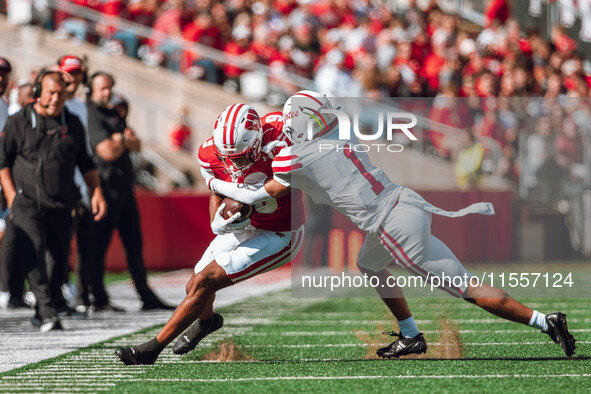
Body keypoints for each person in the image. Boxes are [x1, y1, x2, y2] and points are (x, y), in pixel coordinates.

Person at [203, 91, 577, 358]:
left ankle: (545, 321)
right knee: (369, 264)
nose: (284, 130)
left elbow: (255, 194)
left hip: (391, 225)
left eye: (290, 124)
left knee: (465, 286)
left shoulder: (295, 159)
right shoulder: (337, 135)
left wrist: (215, 183)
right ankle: (411, 336)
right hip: (402, 203)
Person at [115, 104, 305, 365]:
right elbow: (217, 192)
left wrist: (234, 201)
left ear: (258, 140)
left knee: (205, 281)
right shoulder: (210, 152)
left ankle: (151, 349)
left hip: (281, 232)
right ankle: (208, 321)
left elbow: (271, 190)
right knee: (193, 285)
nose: (233, 163)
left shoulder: (281, 143)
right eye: (229, 157)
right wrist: (218, 220)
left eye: (240, 156)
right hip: (246, 225)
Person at [0, 69, 107, 331]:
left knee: (59, 259)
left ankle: (42, 309)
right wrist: (12, 195)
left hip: (62, 201)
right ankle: (48, 312)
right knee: (33, 252)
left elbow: (85, 162)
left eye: (60, 93)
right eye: (50, 92)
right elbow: (3, 162)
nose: (56, 98)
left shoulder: (71, 122)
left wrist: (96, 192)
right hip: (26, 201)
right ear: (38, 93)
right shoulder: (18, 122)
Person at [86, 71, 173, 312]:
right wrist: (122, 141)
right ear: (91, 89)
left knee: (135, 244)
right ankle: (97, 298)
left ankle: (146, 296)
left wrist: (120, 141)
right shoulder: (91, 114)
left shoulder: (113, 113)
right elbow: (108, 152)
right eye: (103, 88)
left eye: (109, 88)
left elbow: (137, 144)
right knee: (98, 245)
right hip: (105, 189)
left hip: (125, 188)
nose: (107, 92)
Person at [57, 55, 94, 313]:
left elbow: (85, 150)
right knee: (57, 241)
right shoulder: (50, 106)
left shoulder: (80, 106)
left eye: (78, 72)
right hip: (56, 183)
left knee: (81, 242)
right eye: (69, 72)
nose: (73, 77)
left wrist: (88, 187)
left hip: (79, 183)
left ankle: (80, 293)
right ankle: (55, 292)